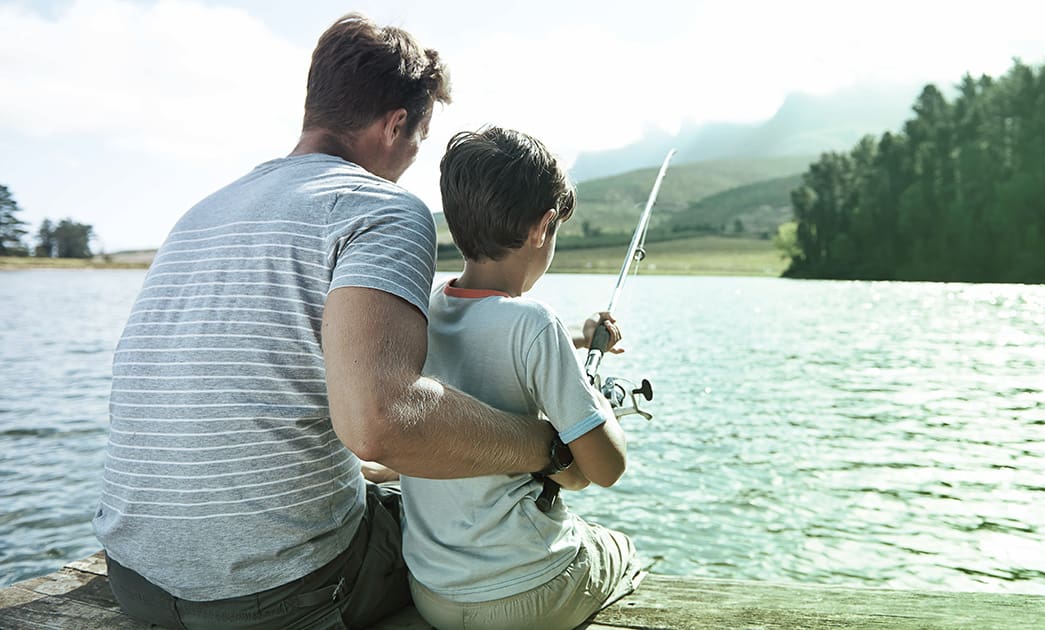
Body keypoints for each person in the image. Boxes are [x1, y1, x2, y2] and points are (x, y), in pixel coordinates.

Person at [92, 15, 558, 629]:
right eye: (419, 139)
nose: (413, 159)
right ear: (396, 124)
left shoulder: (200, 214)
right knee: (469, 532)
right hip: (274, 594)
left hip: (135, 577)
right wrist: (544, 445)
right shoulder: (381, 209)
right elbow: (380, 422)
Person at [395, 126, 642, 630]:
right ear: (542, 227)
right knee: (621, 548)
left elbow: (487, 334)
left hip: (432, 592)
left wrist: (576, 341)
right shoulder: (535, 322)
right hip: (525, 594)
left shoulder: (421, 310)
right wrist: (595, 396)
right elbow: (606, 468)